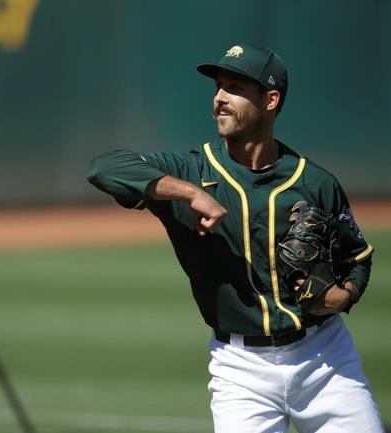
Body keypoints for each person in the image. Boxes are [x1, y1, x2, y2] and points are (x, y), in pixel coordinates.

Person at [88, 43, 384, 433]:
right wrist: (189, 193)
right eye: (218, 87)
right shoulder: (191, 171)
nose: (220, 98)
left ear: (271, 99)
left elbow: (358, 258)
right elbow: (104, 167)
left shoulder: (314, 182)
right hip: (240, 370)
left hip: (325, 359)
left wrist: (343, 296)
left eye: (235, 87)